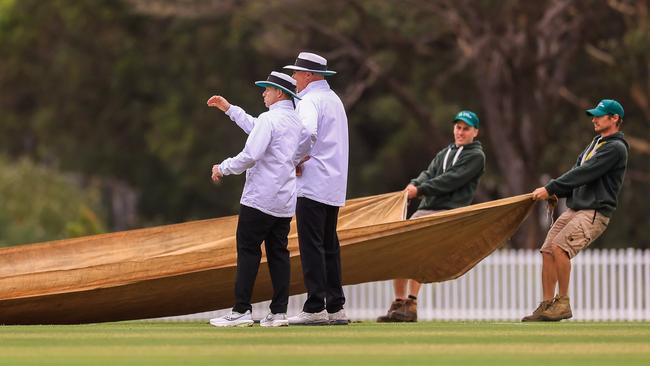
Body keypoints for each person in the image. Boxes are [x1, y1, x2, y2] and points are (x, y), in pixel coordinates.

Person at [206, 71, 305, 327]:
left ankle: (241, 311)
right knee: (278, 254)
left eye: (267, 89)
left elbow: (251, 153)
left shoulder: (269, 119)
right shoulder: (295, 121)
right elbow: (257, 129)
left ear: (279, 93)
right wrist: (230, 109)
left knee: (248, 252)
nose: (263, 93)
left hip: (260, 198)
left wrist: (223, 167)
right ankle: (279, 312)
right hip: (284, 201)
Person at [523, 99, 628, 322]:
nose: (594, 119)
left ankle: (563, 303)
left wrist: (550, 187)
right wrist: (556, 193)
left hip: (594, 212)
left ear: (614, 118)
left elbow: (585, 173)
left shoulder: (615, 148)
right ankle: (547, 304)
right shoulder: (595, 143)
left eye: (599, 115)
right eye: (594, 115)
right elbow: (576, 170)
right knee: (548, 250)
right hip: (576, 207)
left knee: (560, 247)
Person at [377, 111, 485, 323]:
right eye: (458, 127)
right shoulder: (445, 152)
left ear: (475, 132)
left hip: (449, 211)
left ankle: (411, 302)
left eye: (466, 128)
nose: (460, 132)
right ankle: (399, 302)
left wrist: (420, 190)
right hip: (427, 209)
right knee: (398, 245)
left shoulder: (475, 156)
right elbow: (429, 172)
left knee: (418, 250)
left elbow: (450, 180)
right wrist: (414, 183)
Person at [282, 52, 350, 325]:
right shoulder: (334, 100)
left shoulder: (310, 100)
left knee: (312, 246)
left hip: (312, 181)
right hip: (333, 183)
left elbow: (307, 133)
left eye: (297, 73)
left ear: (309, 75)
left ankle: (314, 307)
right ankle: (335, 307)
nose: (295, 79)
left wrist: (293, 159)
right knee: (329, 245)